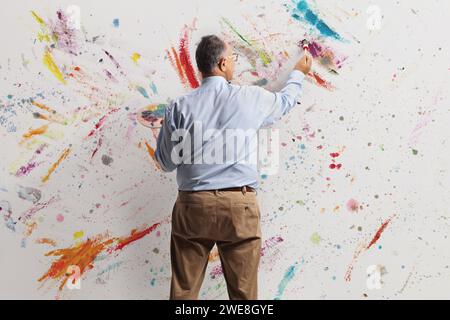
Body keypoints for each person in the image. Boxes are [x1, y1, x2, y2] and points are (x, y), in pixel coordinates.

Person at [155, 34, 312, 300]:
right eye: (233, 59)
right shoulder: (250, 98)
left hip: (193, 207)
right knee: (244, 298)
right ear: (223, 63)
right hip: (239, 206)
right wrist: (298, 73)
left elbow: (166, 163)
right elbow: (285, 102)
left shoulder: (178, 107)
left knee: (183, 296)